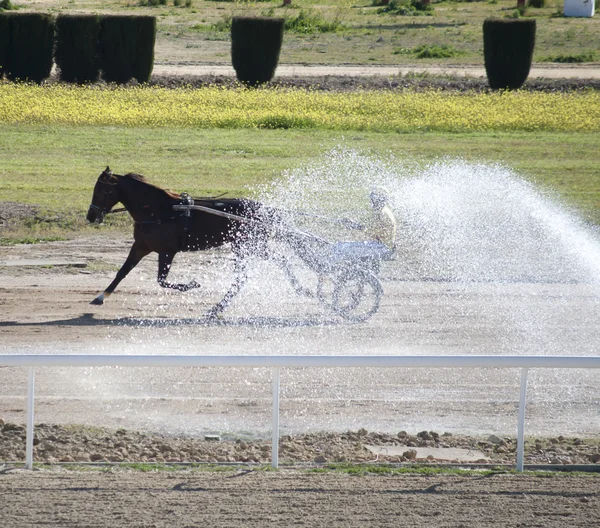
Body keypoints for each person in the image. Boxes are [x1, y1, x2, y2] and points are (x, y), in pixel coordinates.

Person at [331, 186, 397, 264]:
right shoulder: (383, 210)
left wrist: (354, 226)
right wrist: (353, 224)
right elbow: (374, 230)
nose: (372, 201)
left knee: (340, 247)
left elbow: (373, 232)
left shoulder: (381, 213)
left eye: (373, 198)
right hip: (383, 246)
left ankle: (327, 270)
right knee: (342, 247)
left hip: (382, 247)